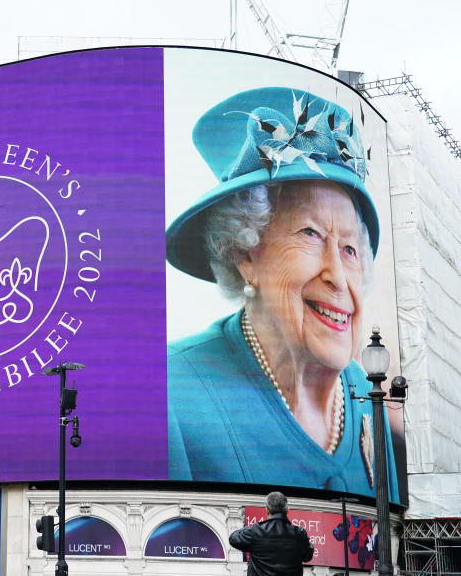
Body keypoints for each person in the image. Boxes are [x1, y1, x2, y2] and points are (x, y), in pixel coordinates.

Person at [166, 87, 399, 498]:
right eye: (310, 234)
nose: (340, 279)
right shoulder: (172, 393)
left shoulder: (369, 394)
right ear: (245, 254)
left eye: (349, 249)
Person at [229, 491, 314, 576]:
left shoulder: (256, 531)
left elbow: (233, 538)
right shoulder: (299, 534)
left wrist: (249, 527)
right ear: (287, 511)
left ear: (267, 510)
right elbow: (308, 556)